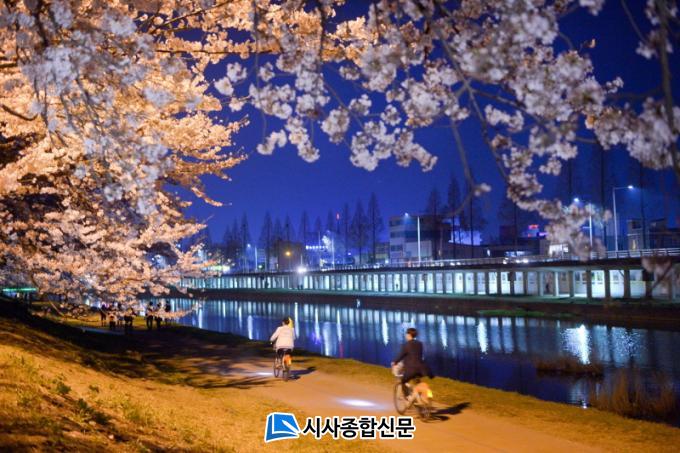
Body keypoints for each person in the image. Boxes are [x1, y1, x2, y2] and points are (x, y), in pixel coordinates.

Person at [391, 327, 433, 396]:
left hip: (411, 369)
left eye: (406, 334)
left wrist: (394, 362)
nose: (405, 335)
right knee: (417, 381)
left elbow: (401, 355)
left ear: (409, 335)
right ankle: (419, 395)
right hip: (421, 369)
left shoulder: (406, 345)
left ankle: (408, 397)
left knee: (403, 381)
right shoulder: (420, 344)